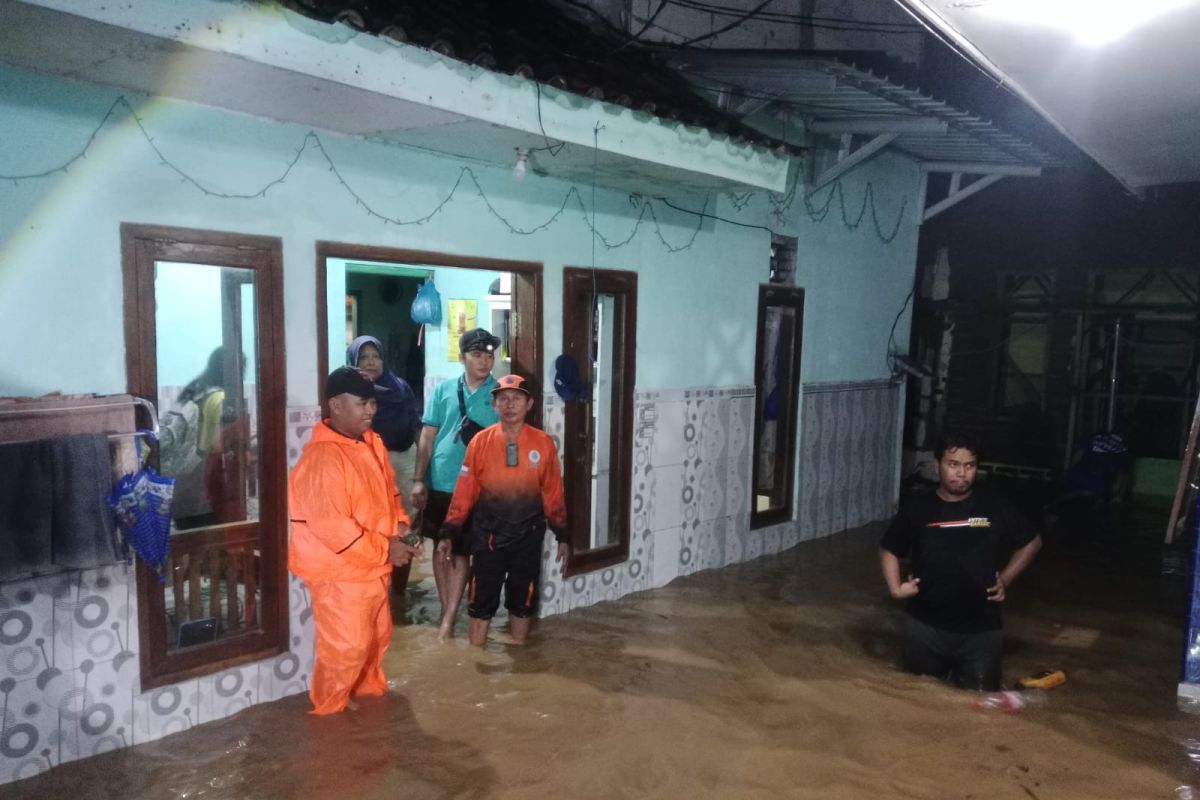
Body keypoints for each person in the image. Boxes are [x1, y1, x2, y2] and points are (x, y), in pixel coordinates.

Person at [288, 367, 422, 715]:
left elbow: (389, 493)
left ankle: (366, 710)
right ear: (335, 404)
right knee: (346, 650)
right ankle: (330, 720)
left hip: (372, 569)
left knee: (375, 642)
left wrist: (401, 528)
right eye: (362, 403)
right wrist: (386, 549)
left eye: (372, 402)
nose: (370, 410)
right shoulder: (323, 458)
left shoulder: (371, 443)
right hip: (341, 575)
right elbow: (335, 529)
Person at [879, 431, 1042, 691]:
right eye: (953, 464)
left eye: (970, 466)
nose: (961, 473)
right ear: (937, 464)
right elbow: (889, 548)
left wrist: (1006, 579)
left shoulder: (994, 505)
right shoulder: (917, 508)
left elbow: (1031, 542)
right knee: (916, 701)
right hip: (925, 628)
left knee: (980, 709)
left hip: (981, 632)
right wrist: (895, 588)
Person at [439, 374, 569, 646]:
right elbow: (465, 491)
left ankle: (519, 659)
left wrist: (563, 535)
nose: (510, 404)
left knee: (522, 600)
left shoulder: (543, 444)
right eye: (503, 399)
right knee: (481, 600)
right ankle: (476, 664)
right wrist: (449, 531)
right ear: (494, 405)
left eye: (517, 398)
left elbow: (553, 492)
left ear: (529, 403)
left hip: (528, 537)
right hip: (488, 537)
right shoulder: (479, 442)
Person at [410, 328, 501, 639]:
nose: (484, 361)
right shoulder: (443, 391)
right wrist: (419, 479)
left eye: (489, 355)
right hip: (440, 481)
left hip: (478, 487)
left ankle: (448, 619)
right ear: (463, 357)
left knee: (462, 551)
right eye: (477, 355)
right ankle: (446, 609)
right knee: (440, 548)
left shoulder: (500, 394)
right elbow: (427, 435)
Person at [347, 335, 422, 609]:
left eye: (375, 357)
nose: (370, 362)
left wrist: (420, 477)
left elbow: (416, 425)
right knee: (371, 524)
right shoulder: (350, 394)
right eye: (364, 357)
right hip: (367, 463)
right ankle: (375, 584)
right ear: (354, 361)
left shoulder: (399, 388)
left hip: (403, 459)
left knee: (405, 523)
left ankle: (399, 587)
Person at [158, 346, 233, 526]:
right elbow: (217, 444)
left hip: (183, 483)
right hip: (204, 481)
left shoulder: (195, 390)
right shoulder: (219, 398)